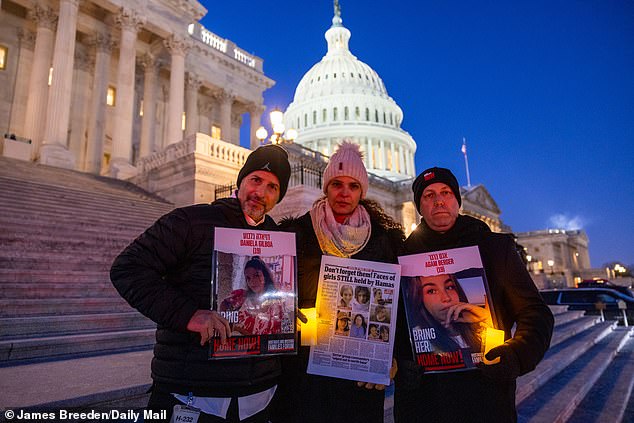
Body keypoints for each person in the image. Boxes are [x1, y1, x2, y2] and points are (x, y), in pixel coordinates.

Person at [110, 145, 291, 423]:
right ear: (241, 181)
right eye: (255, 180)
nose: (261, 193)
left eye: (273, 187)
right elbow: (128, 269)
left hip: (258, 396)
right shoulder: (190, 221)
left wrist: (288, 310)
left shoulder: (279, 240)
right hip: (191, 392)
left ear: (278, 197)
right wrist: (189, 315)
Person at [393, 167, 554, 423]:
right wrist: (401, 362)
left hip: (485, 397)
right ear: (419, 207)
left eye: (446, 192)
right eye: (428, 195)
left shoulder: (494, 248)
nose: (438, 201)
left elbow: (535, 314)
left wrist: (516, 355)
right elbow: (395, 324)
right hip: (424, 401)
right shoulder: (402, 257)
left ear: (457, 200)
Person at [273, 141, 404, 423]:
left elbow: (396, 308)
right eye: (336, 184)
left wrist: (388, 357)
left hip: (359, 375)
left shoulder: (383, 241)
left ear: (362, 191)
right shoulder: (298, 234)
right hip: (306, 370)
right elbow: (276, 295)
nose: (344, 193)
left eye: (353, 186)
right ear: (326, 187)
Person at [410, 274, 491, 353]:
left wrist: (487, 318)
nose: (446, 298)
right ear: (419, 298)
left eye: (449, 287)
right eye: (432, 291)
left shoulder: (481, 329)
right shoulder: (417, 338)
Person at [220, 257, 284, 336]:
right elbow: (223, 304)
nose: (252, 281)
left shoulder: (276, 305)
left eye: (256, 275)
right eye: (248, 278)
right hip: (239, 346)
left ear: (265, 276)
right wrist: (228, 323)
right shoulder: (241, 296)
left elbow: (274, 336)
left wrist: (240, 330)